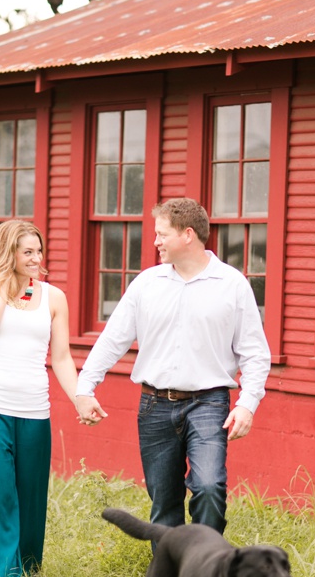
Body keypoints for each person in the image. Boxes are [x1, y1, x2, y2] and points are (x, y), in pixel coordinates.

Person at [75, 197, 271, 533]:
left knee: (209, 488)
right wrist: (85, 386)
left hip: (209, 403)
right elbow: (113, 339)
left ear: (188, 235)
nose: (155, 242)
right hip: (154, 406)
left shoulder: (231, 284)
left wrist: (248, 404)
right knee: (163, 501)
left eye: (162, 234)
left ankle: (206, 571)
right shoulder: (147, 284)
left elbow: (255, 353)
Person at [0, 220, 79, 577]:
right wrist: (3, 283)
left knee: (30, 497)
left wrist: (80, 398)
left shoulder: (54, 298)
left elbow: (60, 358)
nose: (36, 258)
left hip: (33, 410)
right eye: (27, 251)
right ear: (8, 253)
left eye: (38, 251)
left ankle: (27, 573)